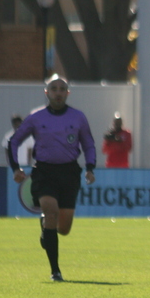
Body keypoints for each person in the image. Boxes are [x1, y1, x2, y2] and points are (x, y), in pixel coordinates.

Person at [8, 75, 97, 282]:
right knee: (51, 212)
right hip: (44, 173)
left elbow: (89, 144)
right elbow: (14, 141)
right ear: (47, 92)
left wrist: (90, 168)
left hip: (69, 173)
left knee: (63, 228)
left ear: (68, 93)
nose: (58, 92)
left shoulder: (78, 117)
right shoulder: (36, 117)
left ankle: (45, 228)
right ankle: (55, 270)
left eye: (62, 89)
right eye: (54, 88)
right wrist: (15, 168)